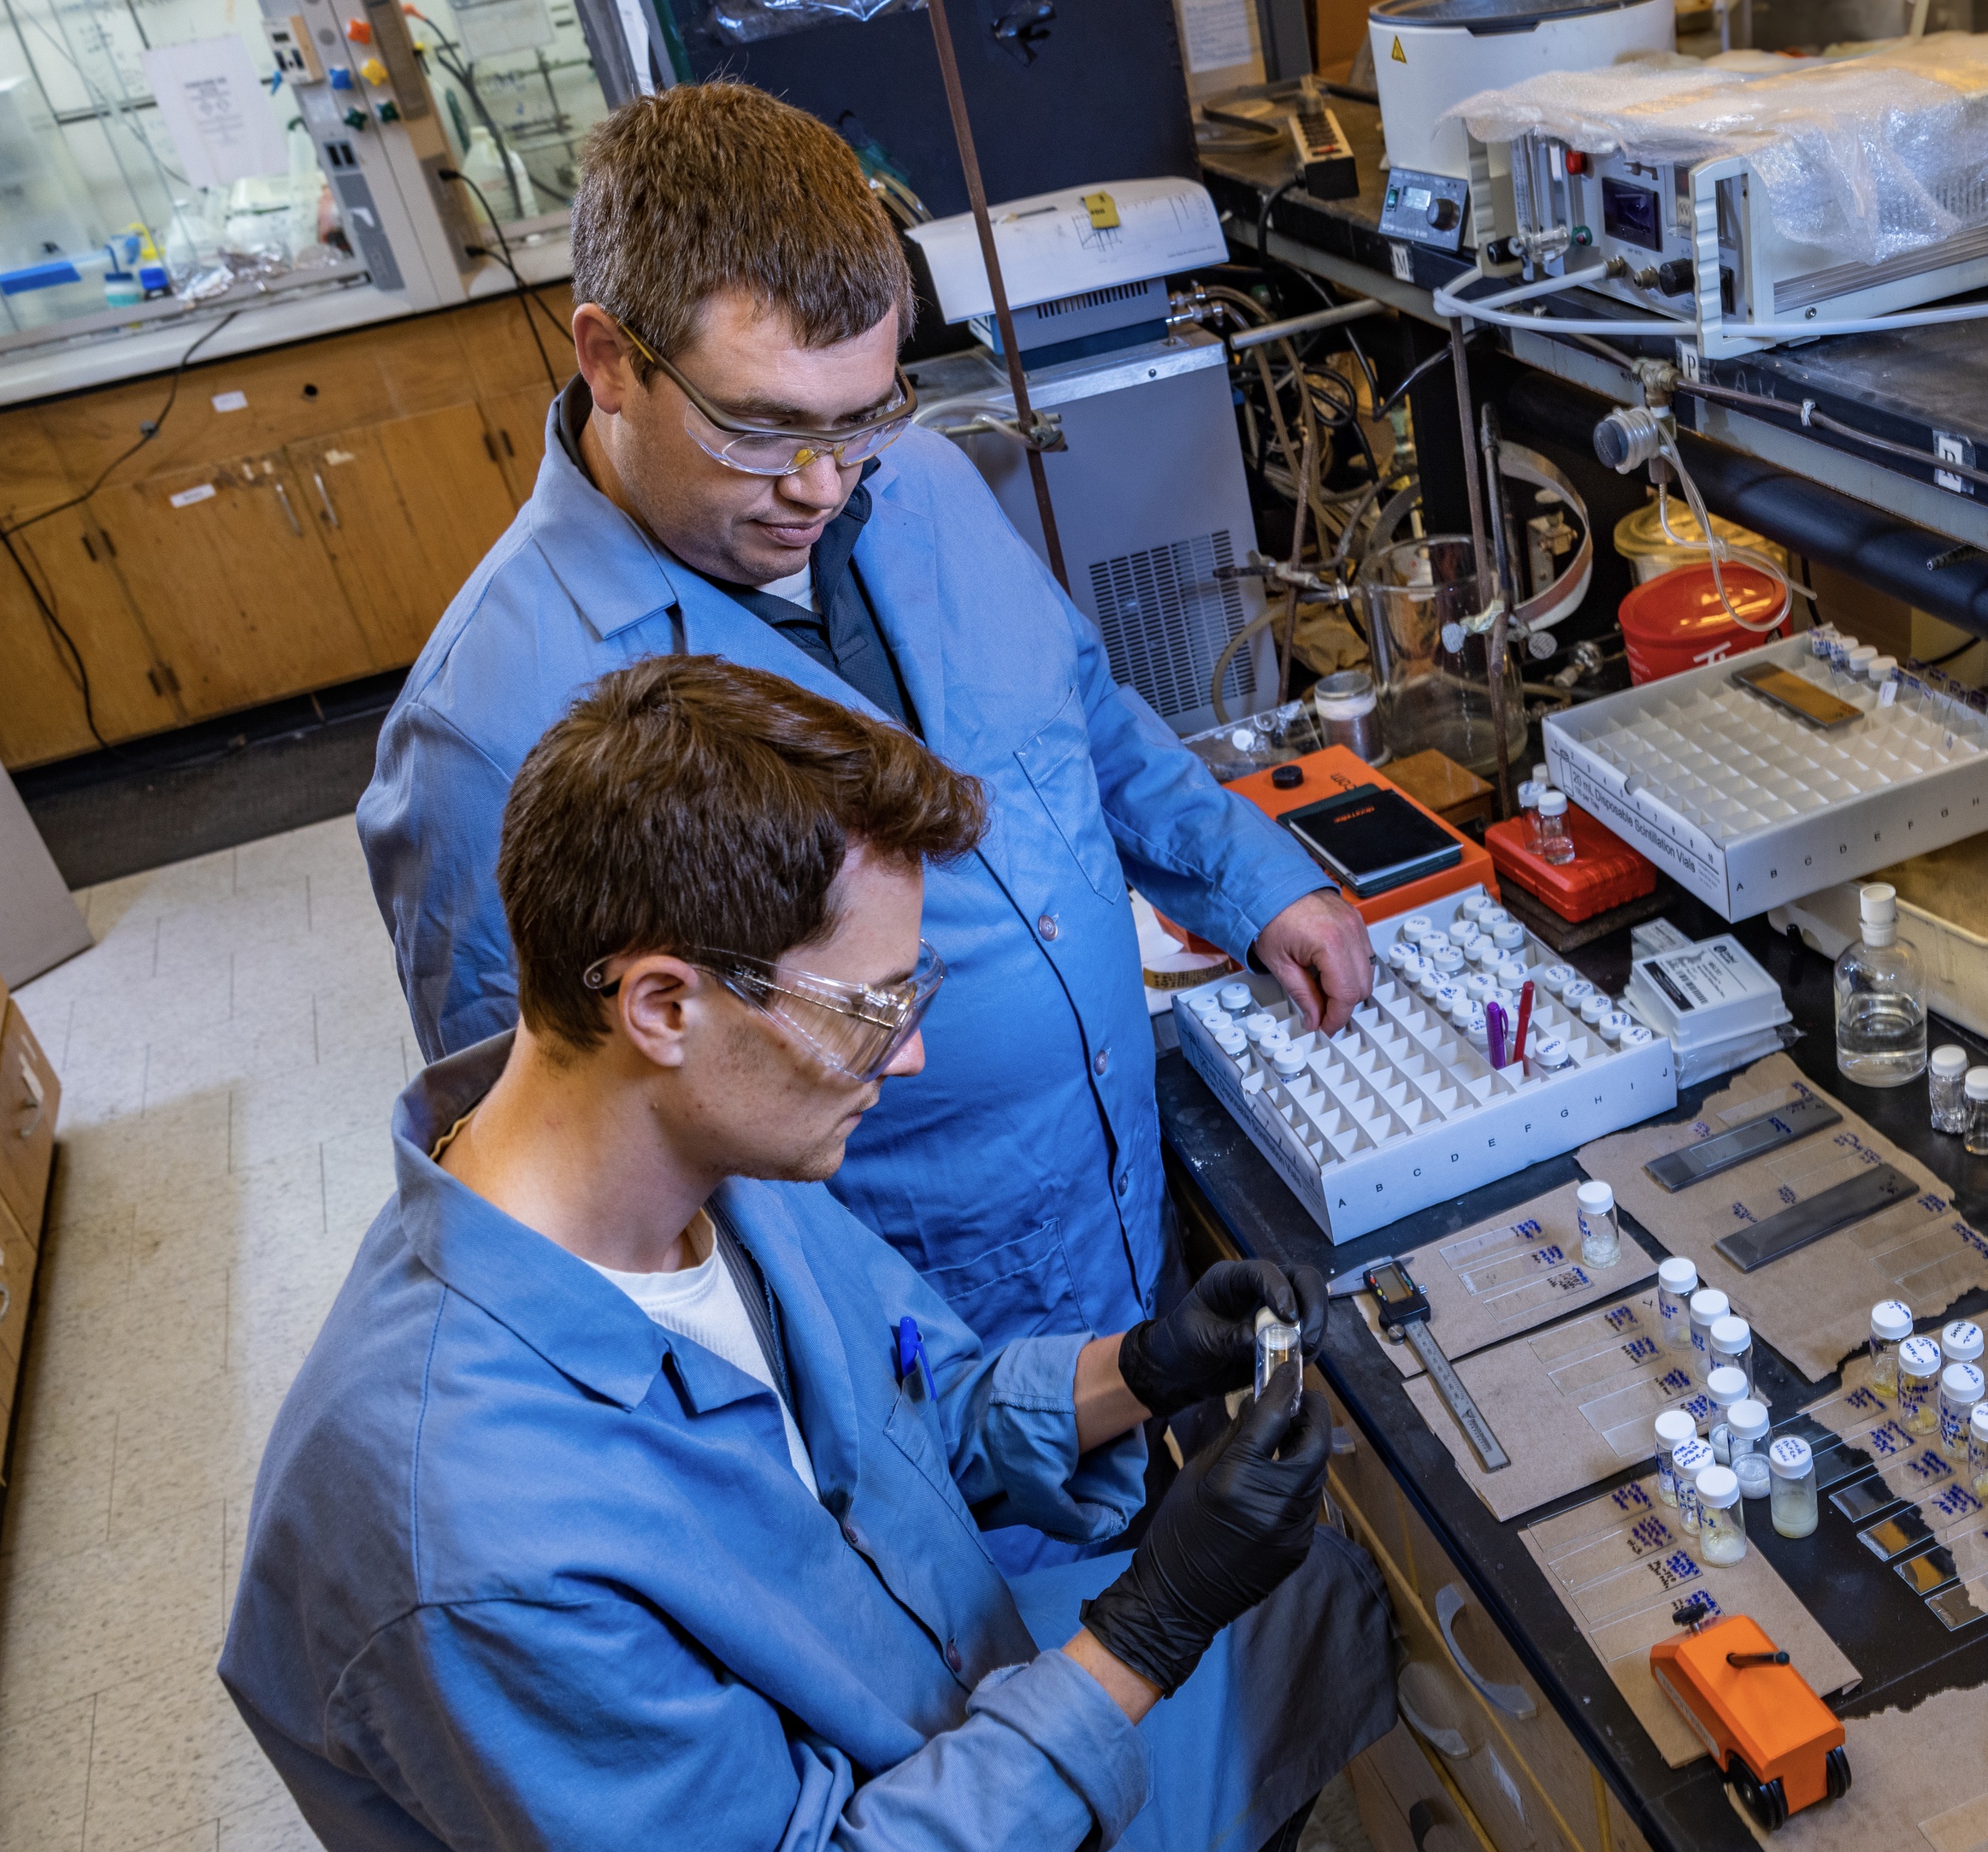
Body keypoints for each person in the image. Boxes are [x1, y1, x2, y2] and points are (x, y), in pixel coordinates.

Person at [228, 658, 1391, 1852]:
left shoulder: (721, 1190)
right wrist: (1144, 1633)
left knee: (1323, 1615)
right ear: (661, 1003)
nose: (907, 1055)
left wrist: (1146, 1366)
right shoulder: (455, 1532)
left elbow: (916, 1414)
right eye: (875, 1005)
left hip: (984, 1844)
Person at [358, 81, 1370, 1408]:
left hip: (1116, 1217)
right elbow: (558, 1162)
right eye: (761, 427)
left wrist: (1251, 877)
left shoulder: (926, 485)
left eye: (860, 418)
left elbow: (1082, 715)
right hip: (903, 1349)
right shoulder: (487, 724)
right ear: (609, 359)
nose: (823, 486)